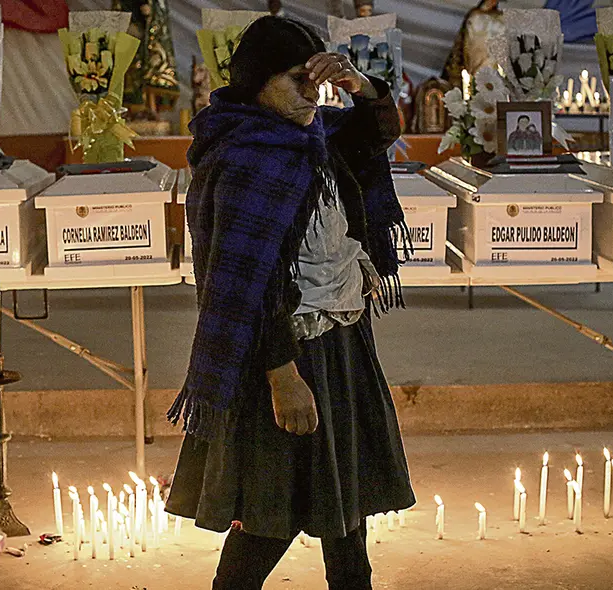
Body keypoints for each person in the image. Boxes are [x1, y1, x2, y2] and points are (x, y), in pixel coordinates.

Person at [165, 16, 415, 590]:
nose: (312, 92)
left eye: (316, 79)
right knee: (269, 509)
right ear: (259, 83)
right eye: (296, 79)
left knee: (345, 501)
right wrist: (282, 377)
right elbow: (245, 282)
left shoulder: (314, 137)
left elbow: (378, 129)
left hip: (340, 341)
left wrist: (360, 83)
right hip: (284, 354)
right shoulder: (244, 157)